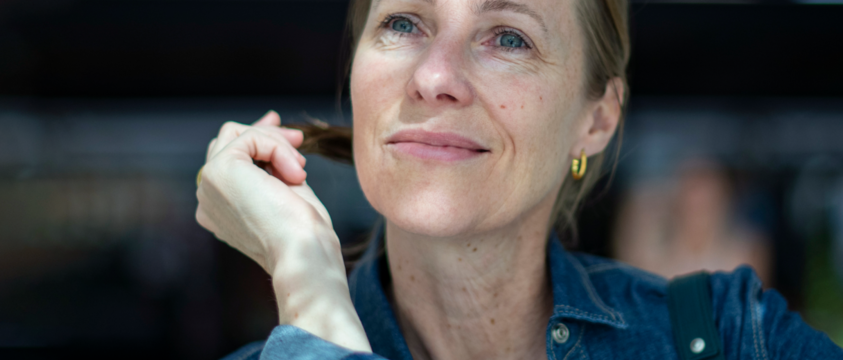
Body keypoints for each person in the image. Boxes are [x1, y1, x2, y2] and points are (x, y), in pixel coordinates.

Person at [193, 0, 843, 358]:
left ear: (596, 119)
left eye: (508, 38)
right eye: (401, 23)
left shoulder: (730, 338)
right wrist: (311, 287)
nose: (434, 77)